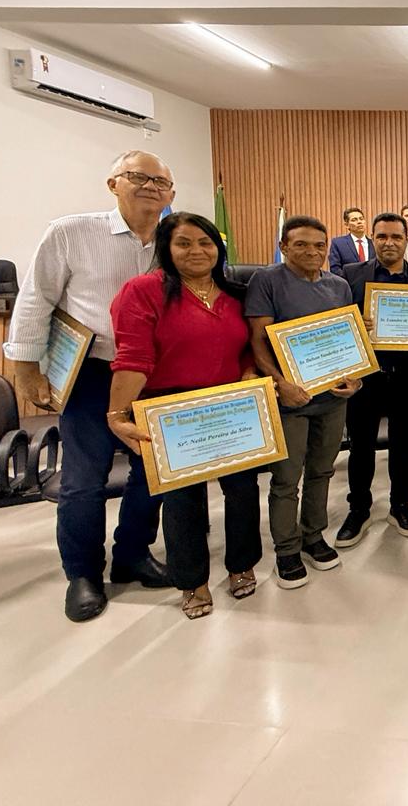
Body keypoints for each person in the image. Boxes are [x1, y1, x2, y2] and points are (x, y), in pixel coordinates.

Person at [4, 150, 175, 622]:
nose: (150, 187)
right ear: (112, 184)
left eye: (160, 182)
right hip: (92, 373)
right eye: (138, 177)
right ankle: (82, 573)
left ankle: (133, 555)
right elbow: (35, 300)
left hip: (156, 375)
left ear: (171, 194)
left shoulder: (175, 239)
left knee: (153, 472)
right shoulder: (71, 233)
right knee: (84, 478)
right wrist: (26, 369)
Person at [106, 212, 261, 619]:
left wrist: (249, 373)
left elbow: (247, 348)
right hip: (174, 411)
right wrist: (117, 412)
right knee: (182, 502)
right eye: (184, 243)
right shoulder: (144, 291)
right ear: (166, 248)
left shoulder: (235, 294)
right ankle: (192, 582)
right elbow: (133, 357)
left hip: (232, 406)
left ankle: (242, 564)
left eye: (206, 243)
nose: (197, 251)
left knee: (243, 492)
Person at [246, 215, 362, 589]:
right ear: (283, 247)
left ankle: (313, 536)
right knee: (286, 479)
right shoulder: (266, 281)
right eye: (301, 244)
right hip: (290, 400)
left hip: (332, 399)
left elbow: (347, 338)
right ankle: (286, 549)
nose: (312, 251)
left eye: (319, 245)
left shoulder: (338, 286)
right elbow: (258, 341)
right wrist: (280, 384)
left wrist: (355, 377)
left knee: (322, 470)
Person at [336, 212, 408, 549]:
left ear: (406, 239)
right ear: (372, 239)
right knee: (361, 447)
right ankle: (359, 509)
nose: (389, 243)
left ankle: (400, 505)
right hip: (364, 380)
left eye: (396, 237)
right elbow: (336, 325)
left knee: (402, 445)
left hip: (406, 379)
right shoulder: (349, 277)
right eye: (382, 236)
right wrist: (354, 323)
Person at [328, 206, 373, 276]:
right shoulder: (338, 243)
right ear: (347, 225)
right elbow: (335, 269)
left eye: (361, 219)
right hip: (347, 282)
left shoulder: (374, 243)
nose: (359, 222)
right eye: (354, 220)